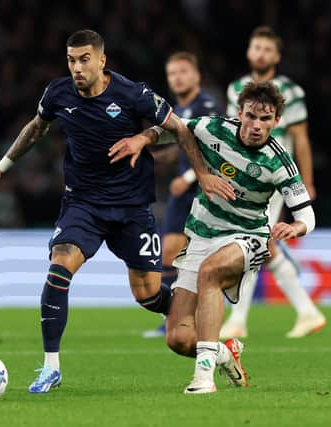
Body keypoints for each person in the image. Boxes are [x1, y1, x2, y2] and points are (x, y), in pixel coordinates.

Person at [0, 29, 235, 394]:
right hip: (83, 205)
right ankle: (50, 366)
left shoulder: (132, 93)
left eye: (83, 59)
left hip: (131, 208)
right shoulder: (58, 93)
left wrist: (190, 169)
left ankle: (213, 344)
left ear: (101, 60)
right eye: (71, 60)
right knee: (59, 268)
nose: (76, 68)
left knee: (149, 295)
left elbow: (180, 129)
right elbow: (36, 128)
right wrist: (0, 167)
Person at [110, 81, 316, 394]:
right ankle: (222, 352)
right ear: (240, 113)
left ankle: (203, 378)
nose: (256, 125)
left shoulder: (280, 161)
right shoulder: (212, 128)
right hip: (202, 235)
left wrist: (295, 228)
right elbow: (174, 128)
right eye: (251, 116)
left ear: (276, 121)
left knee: (211, 273)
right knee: (178, 339)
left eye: (265, 119)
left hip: (248, 238)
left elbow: (307, 216)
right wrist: (143, 137)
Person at [221, 26, 325, 339]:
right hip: (243, 176)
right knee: (262, 244)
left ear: (276, 56)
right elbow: (231, 134)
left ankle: (237, 320)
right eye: (257, 47)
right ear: (249, 51)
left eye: (268, 49)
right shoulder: (236, 88)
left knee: (251, 238)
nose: (261, 53)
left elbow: (300, 139)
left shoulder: (290, 91)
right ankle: (307, 311)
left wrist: (306, 181)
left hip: (275, 174)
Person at [142, 51, 222, 339]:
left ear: (196, 76)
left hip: (205, 189)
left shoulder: (208, 105)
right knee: (170, 253)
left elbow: (214, 146)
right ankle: (173, 319)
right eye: (172, 73)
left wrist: (188, 176)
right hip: (183, 191)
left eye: (183, 72)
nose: (177, 78)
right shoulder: (177, 110)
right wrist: (156, 156)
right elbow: (183, 145)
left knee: (203, 258)